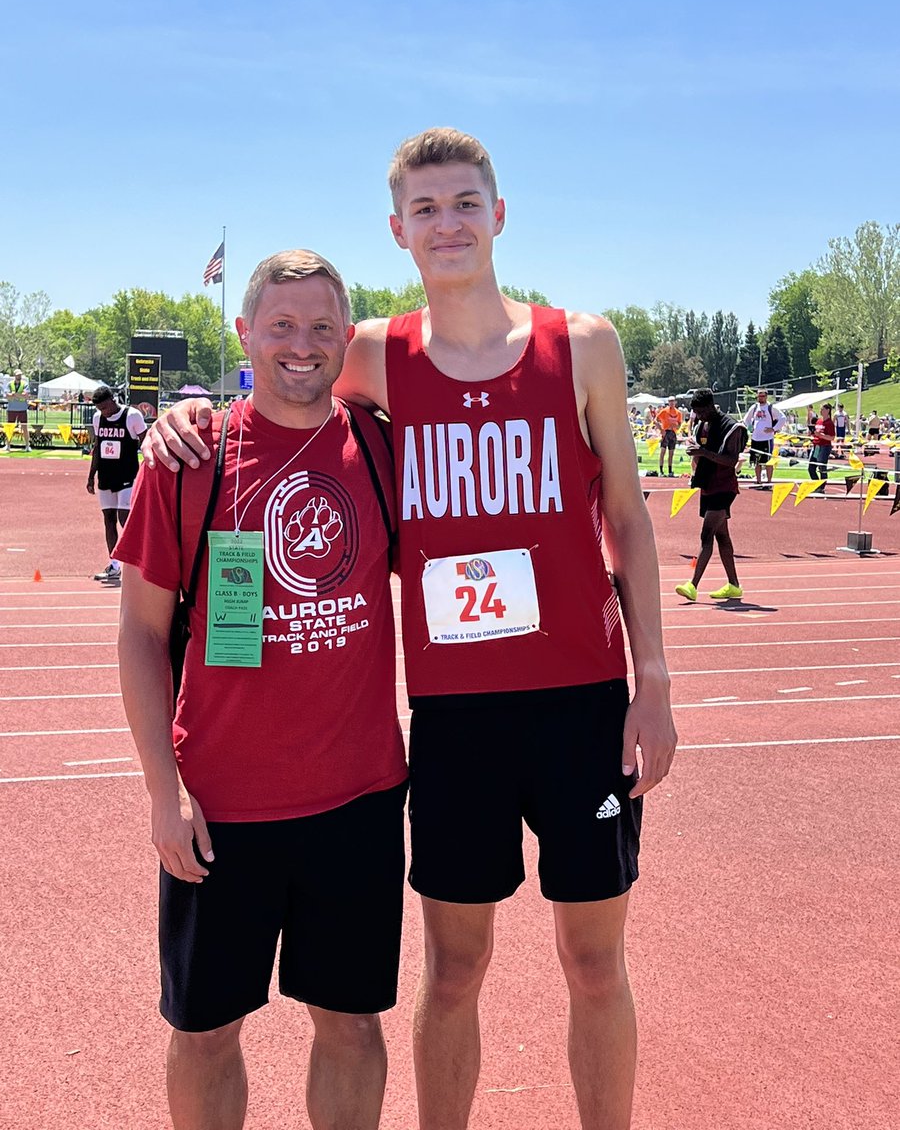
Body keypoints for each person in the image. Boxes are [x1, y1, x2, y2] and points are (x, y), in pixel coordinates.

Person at [143, 127, 677, 1130]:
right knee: (454, 970)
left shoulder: (584, 345)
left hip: (583, 704)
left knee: (596, 962)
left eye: (466, 203)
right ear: (398, 230)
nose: (448, 224)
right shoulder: (376, 355)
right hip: (455, 717)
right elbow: (278, 388)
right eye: (426, 210)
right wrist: (193, 413)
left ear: (500, 214)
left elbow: (630, 520)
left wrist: (653, 679)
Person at [115, 250, 408, 1130]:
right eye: (280, 325)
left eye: (322, 327)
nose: (302, 345)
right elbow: (137, 631)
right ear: (244, 334)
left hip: (357, 802)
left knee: (352, 1026)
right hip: (221, 806)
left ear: (345, 340)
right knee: (205, 1033)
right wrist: (164, 794)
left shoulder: (383, 444)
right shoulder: (191, 457)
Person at [675, 389, 746, 603]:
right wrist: (695, 460)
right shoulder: (700, 425)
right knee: (721, 535)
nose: (698, 416)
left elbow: (732, 460)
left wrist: (703, 452)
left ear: (709, 406)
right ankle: (734, 585)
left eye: (700, 411)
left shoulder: (731, 427)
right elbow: (698, 453)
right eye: (695, 412)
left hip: (724, 487)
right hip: (707, 485)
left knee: (706, 535)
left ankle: (692, 585)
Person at [86, 386, 147, 583]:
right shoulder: (98, 419)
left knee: (125, 520)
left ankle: (136, 563)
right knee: (109, 520)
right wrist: (91, 476)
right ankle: (114, 565)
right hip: (106, 477)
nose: (103, 412)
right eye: (99, 409)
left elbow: (146, 443)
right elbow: (97, 447)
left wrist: (148, 473)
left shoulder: (132, 416)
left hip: (128, 476)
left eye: (105, 407)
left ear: (113, 400)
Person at [742, 389, 785, 487]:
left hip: (767, 439)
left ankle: (769, 481)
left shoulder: (771, 407)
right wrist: (750, 427)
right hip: (755, 438)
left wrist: (773, 429)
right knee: (757, 461)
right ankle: (758, 481)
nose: (760, 398)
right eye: (759, 396)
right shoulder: (754, 407)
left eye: (762, 396)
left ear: (766, 396)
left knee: (768, 461)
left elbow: (783, 418)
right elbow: (746, 419)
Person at [655, 396, 683, 477]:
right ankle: (661, 471)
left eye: (673, 401)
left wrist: (677, 426)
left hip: (673, 433)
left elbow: (680, 423)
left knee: (671, 453)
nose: (671, 403)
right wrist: (661, 430)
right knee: (662, 452)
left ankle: (670, 471)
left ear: (675, 402)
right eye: (670, 401)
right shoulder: (664, 411)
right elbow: (656, 420)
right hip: (666, 432)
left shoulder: (678, 413)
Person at [808, 402, 835, 483]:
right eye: (820, 409)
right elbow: (816, 432)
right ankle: (816, 483)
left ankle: (822, 486)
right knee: (811, 467)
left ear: (828, 410)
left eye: (822, 409)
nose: (820, 411)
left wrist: (821, 435)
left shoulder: (830, 423)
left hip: (824, 447)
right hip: (816, 446)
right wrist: (812, 433)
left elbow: (832, 437)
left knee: (822, 468)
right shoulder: (819, 421)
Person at [4, 368, 30, 448]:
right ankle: (7, 445)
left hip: (22, 409)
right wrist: (19, 395)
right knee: (9, 428)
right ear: (15, 375)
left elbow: (26, 396)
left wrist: (14, 394)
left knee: (24, 427)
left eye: (20, 375)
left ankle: (27, 445)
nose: (19, 376)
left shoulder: (25, 384)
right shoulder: (9, 384)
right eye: (18, 375)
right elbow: (7, 396)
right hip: (11, 409)